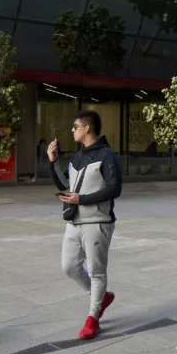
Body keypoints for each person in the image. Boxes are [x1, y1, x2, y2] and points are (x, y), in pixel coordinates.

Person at [48, 110, 122, 340]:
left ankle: (93, 318)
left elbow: (114, 188)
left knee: (97, 270)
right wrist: (53, 163)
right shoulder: (77, 158)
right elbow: (66, 185)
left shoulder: (107, 156)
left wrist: (83, 199)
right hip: (74, 221)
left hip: (97, 222)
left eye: (75, 126)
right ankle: (100, 297)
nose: (72, 130)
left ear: (87, 128)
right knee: (69, 267)